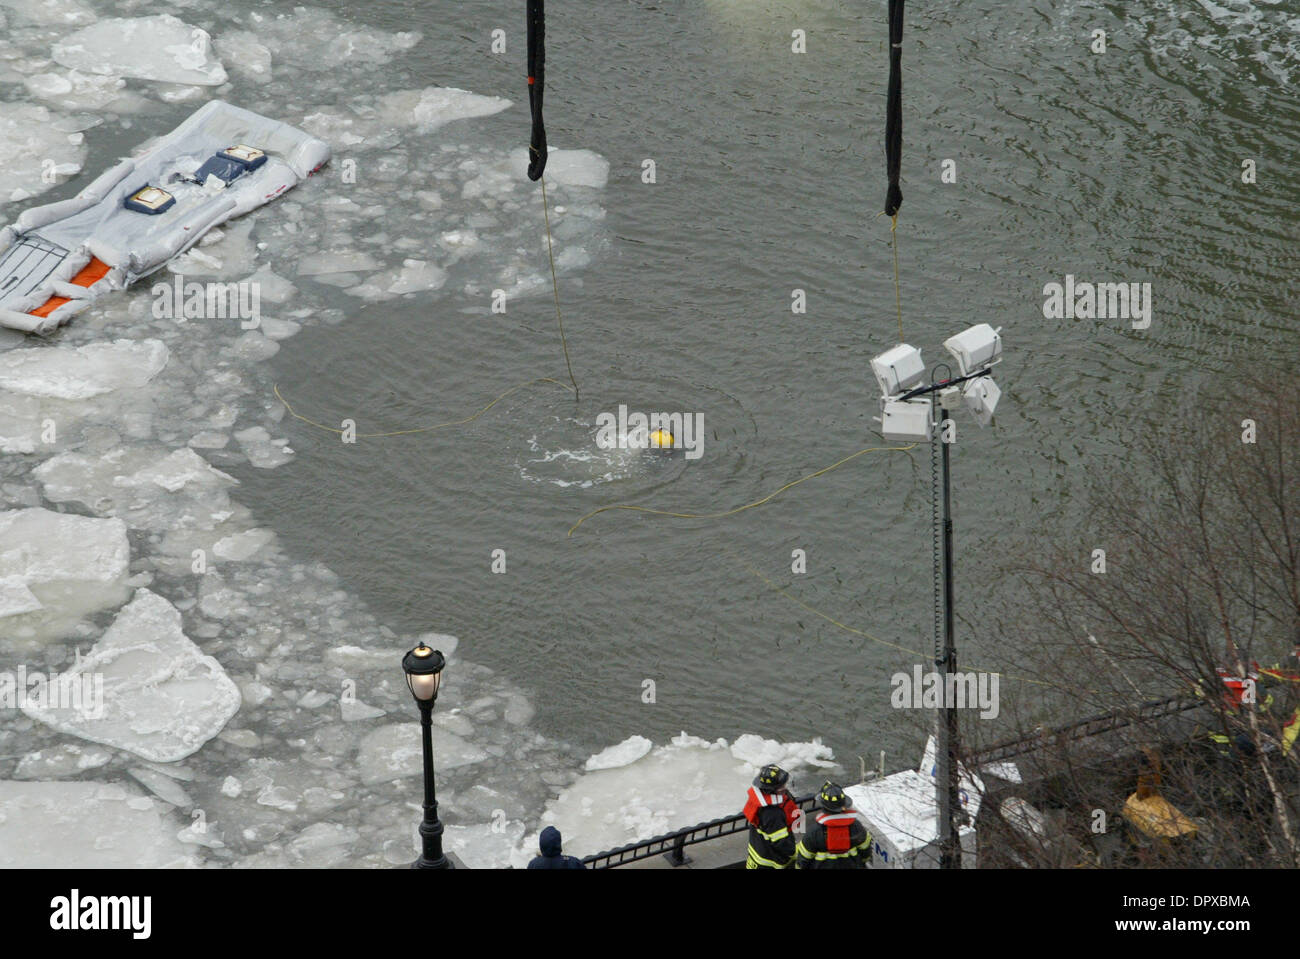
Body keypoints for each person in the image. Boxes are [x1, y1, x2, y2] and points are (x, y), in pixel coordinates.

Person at [796, 781, 873, 869]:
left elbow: (803, 860)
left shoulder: (814, 832)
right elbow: (866, 853)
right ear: (844, 805)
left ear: (823, 806)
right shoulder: (856, 827)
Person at [743, 763, 799, 869]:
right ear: (773, 790)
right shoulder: (773, 813)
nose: (785, 787)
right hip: (769, 861)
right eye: (782, 785)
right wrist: (793, 853)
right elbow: (781, 843)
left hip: (757, 852)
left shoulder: (760, 802)